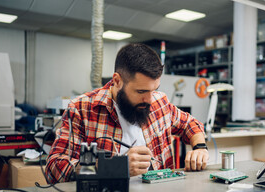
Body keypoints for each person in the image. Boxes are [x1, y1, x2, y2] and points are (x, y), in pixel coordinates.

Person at [45, 43, 209, 183]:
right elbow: (54, 168)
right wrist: (113, 167)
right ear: (117, 81)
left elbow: (190, 124)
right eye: (141, 91)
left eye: (154, 90)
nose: (150, 100)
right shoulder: (82, 109)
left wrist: (200, 147)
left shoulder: (160, 102)